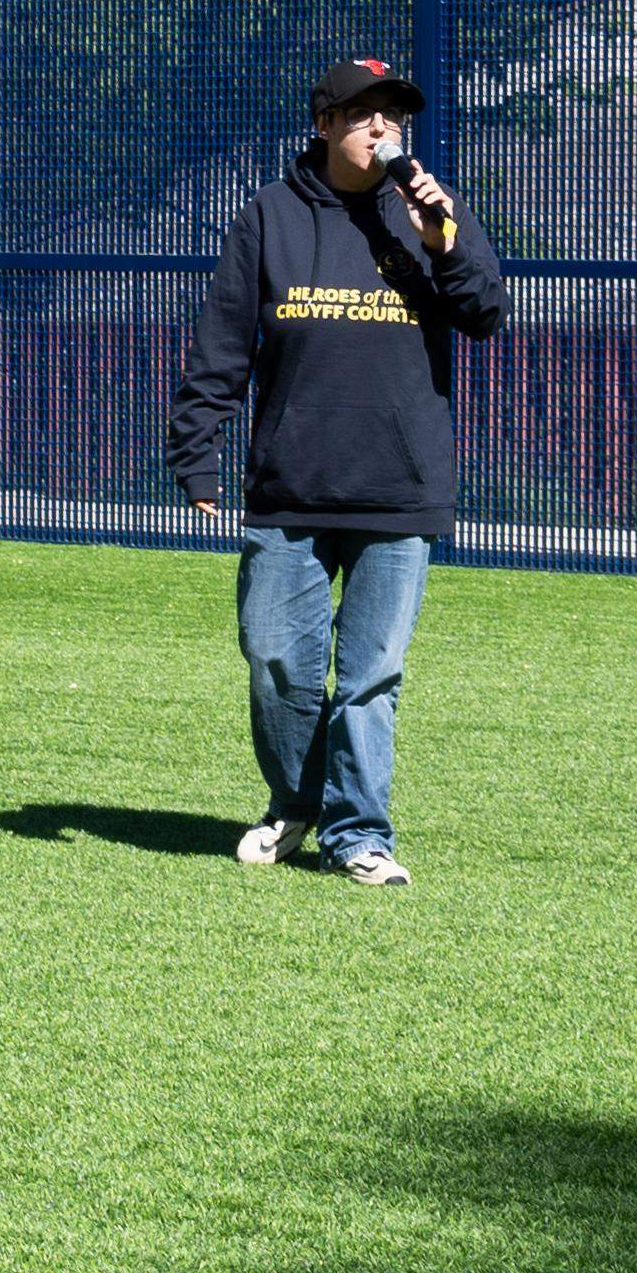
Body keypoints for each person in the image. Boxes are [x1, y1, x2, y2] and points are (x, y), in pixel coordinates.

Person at [166, 54, 510, 889]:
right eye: (361, 114)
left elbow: (486, 314)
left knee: (369, 677)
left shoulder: (428, 217)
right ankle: (296, 800)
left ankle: (360, 833)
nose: (380, 128)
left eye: (392, 115)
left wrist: (442, 238)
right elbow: (220, 345)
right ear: (323, 124)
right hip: (291, 483)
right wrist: (196, 450)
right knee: (276, 658)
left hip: (399, 487)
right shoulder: (267, 218)